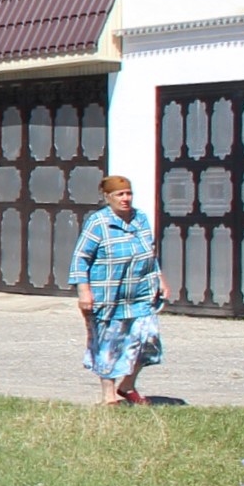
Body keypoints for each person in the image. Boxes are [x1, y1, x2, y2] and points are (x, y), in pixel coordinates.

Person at [68, 171, 165, 406]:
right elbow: (81, 257)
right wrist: (84, 291)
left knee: (148, 341)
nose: (125, 198)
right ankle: (108, 396)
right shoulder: (99, 222)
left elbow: (149, 252)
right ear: (107, 197)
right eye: (119, 194)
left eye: (128, 193)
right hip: (108, 295)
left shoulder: (140, 218)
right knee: (110, 344)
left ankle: (127, 385)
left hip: (140, 292)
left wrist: (160, 278)